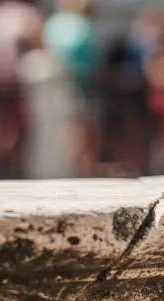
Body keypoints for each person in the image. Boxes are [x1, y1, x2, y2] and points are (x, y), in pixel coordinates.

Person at [0, 0, 44, 177]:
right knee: (18, 128)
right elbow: (38, 44)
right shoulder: (26, 14)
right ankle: (12, 169)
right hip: (18, 82)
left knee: (0, 125)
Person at [44, 0, 101, 174]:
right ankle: (80, 171)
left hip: (58, 85)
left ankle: (71, 170)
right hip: (80, 85)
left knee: (70, 129)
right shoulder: (82, 27)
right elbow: (91, 60)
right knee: (82, 132)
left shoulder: (52, 24)